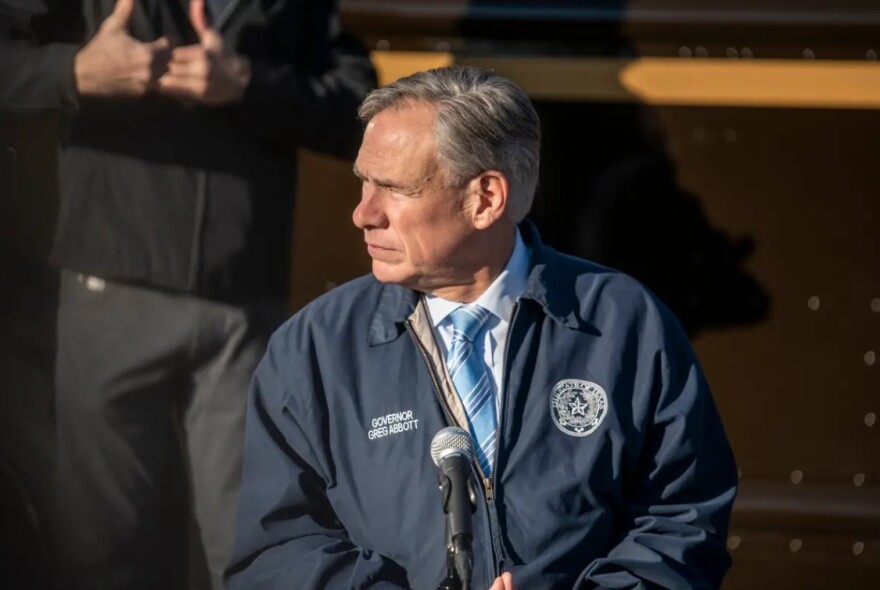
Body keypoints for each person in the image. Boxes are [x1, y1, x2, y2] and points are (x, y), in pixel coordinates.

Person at [226, 66, 738, 590]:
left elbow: (682, 520)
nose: (363, 213)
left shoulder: (624, 324)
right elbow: (277, 552)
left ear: (485, 198)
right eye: (363, 181)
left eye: (393, 188)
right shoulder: (316, 348)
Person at [0, 0, 375, 588]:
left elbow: (359, 109)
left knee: (258, 546)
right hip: (110, 289)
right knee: (103, 554)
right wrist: (74, 71)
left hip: (244, 312)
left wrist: (248, 83)